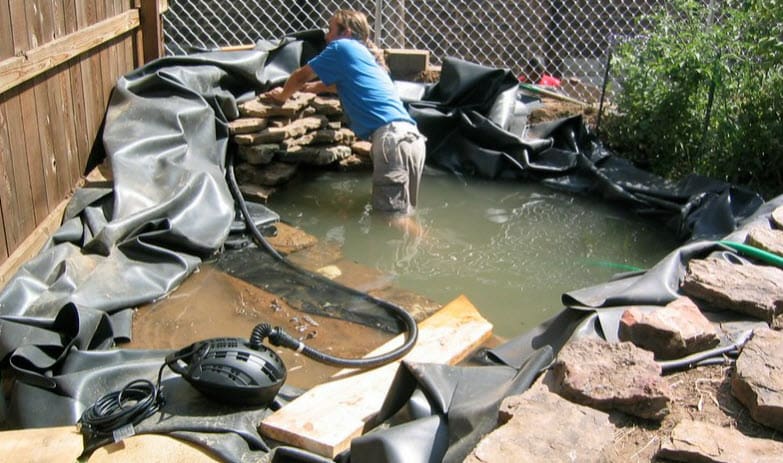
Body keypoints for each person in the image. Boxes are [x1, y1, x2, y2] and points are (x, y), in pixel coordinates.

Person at [269, 9, 427, 236]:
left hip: (391, 141)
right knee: (404, 215)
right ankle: (416, 255)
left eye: (331, 30)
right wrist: (317, 88)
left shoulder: (341, 47)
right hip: (412, 139)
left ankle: (436, 250)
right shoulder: (368, 59)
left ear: (347, 32)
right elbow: (348, 84)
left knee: (391, 220)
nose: (326, 36)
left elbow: (301, 75)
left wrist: (282, 96)